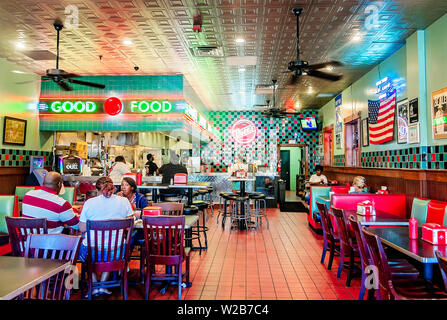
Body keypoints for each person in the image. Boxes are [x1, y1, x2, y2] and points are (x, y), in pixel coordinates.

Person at [78, 176, 137, 296]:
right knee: (110, 250)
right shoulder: (124, 201)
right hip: (117, 252)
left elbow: (82, 228)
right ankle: (103, 284)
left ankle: (95, 285)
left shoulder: (89, 203)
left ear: (98, 190)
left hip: (93, 253)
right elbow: (129, 224)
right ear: (114, 187)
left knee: (88, 248)